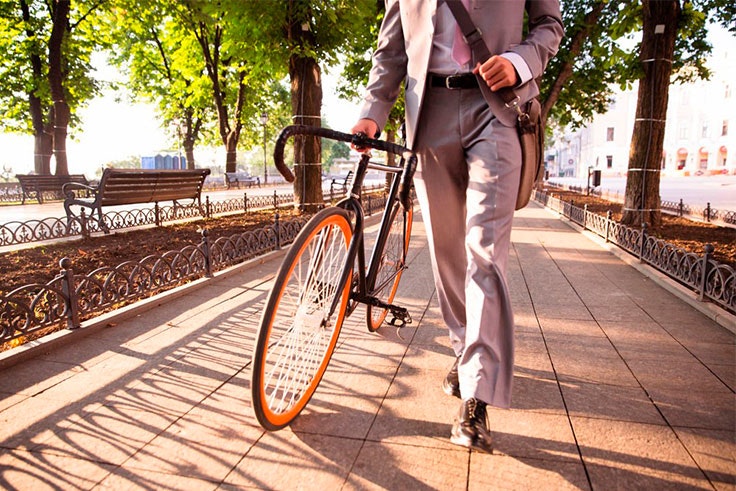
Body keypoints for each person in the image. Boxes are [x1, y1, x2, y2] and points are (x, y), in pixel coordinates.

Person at [351, 0, 563, 453]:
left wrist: (519, 61)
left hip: (499, 111)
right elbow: (391, 51)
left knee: (484, 251)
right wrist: (373, 110)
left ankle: (477, 394)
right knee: (448, 251)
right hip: (429, 114)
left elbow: (549, 24)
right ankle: (466, 350)